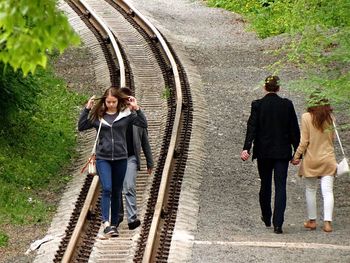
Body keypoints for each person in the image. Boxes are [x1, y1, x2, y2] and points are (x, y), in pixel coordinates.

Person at [78, 87, 147, 237]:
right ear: (104, 101)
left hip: (121, 158)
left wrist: (137, 108)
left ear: (118, 101)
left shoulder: (126, 115)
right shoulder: (98, 117)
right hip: (103, 158)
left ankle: (114, 224)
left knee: (117, 191)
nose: (110, 105)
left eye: (113, 102)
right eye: (108, 102)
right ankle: (106, 222)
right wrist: (86, 109)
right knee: (107, 188)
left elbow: (143, 123)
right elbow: (81, 126)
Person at [241, 75, 300, 234]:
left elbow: (251, 127)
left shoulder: (258, 105)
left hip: (264, 152)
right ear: (278, 88)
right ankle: (278, 224)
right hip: (282, 153)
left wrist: (247, 148)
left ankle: (266, 216)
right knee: (281, 186)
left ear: (265, 88)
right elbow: (294, 130)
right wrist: (298, 152)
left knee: (265, 185)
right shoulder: (287, 105)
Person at [291, 94, 337, 232]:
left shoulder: (306, 117)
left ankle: (312, 221)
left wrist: (297, 155)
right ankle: (327, 223)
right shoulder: (331, 118)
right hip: (328, 158)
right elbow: (332, 139)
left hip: (312, 158)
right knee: (327, 191)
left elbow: (304, 141)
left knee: (311, 190)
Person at [118, 87, 153, 230]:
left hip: (130, 158)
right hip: (114, 158)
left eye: (129, 99)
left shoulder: (136, 118)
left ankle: (132, 219)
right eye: (124, 100)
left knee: (129, 186)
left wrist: (149, 161)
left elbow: (145, 140)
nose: (127, 102)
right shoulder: (114, 116)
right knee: (116, 188)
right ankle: (118, 216)